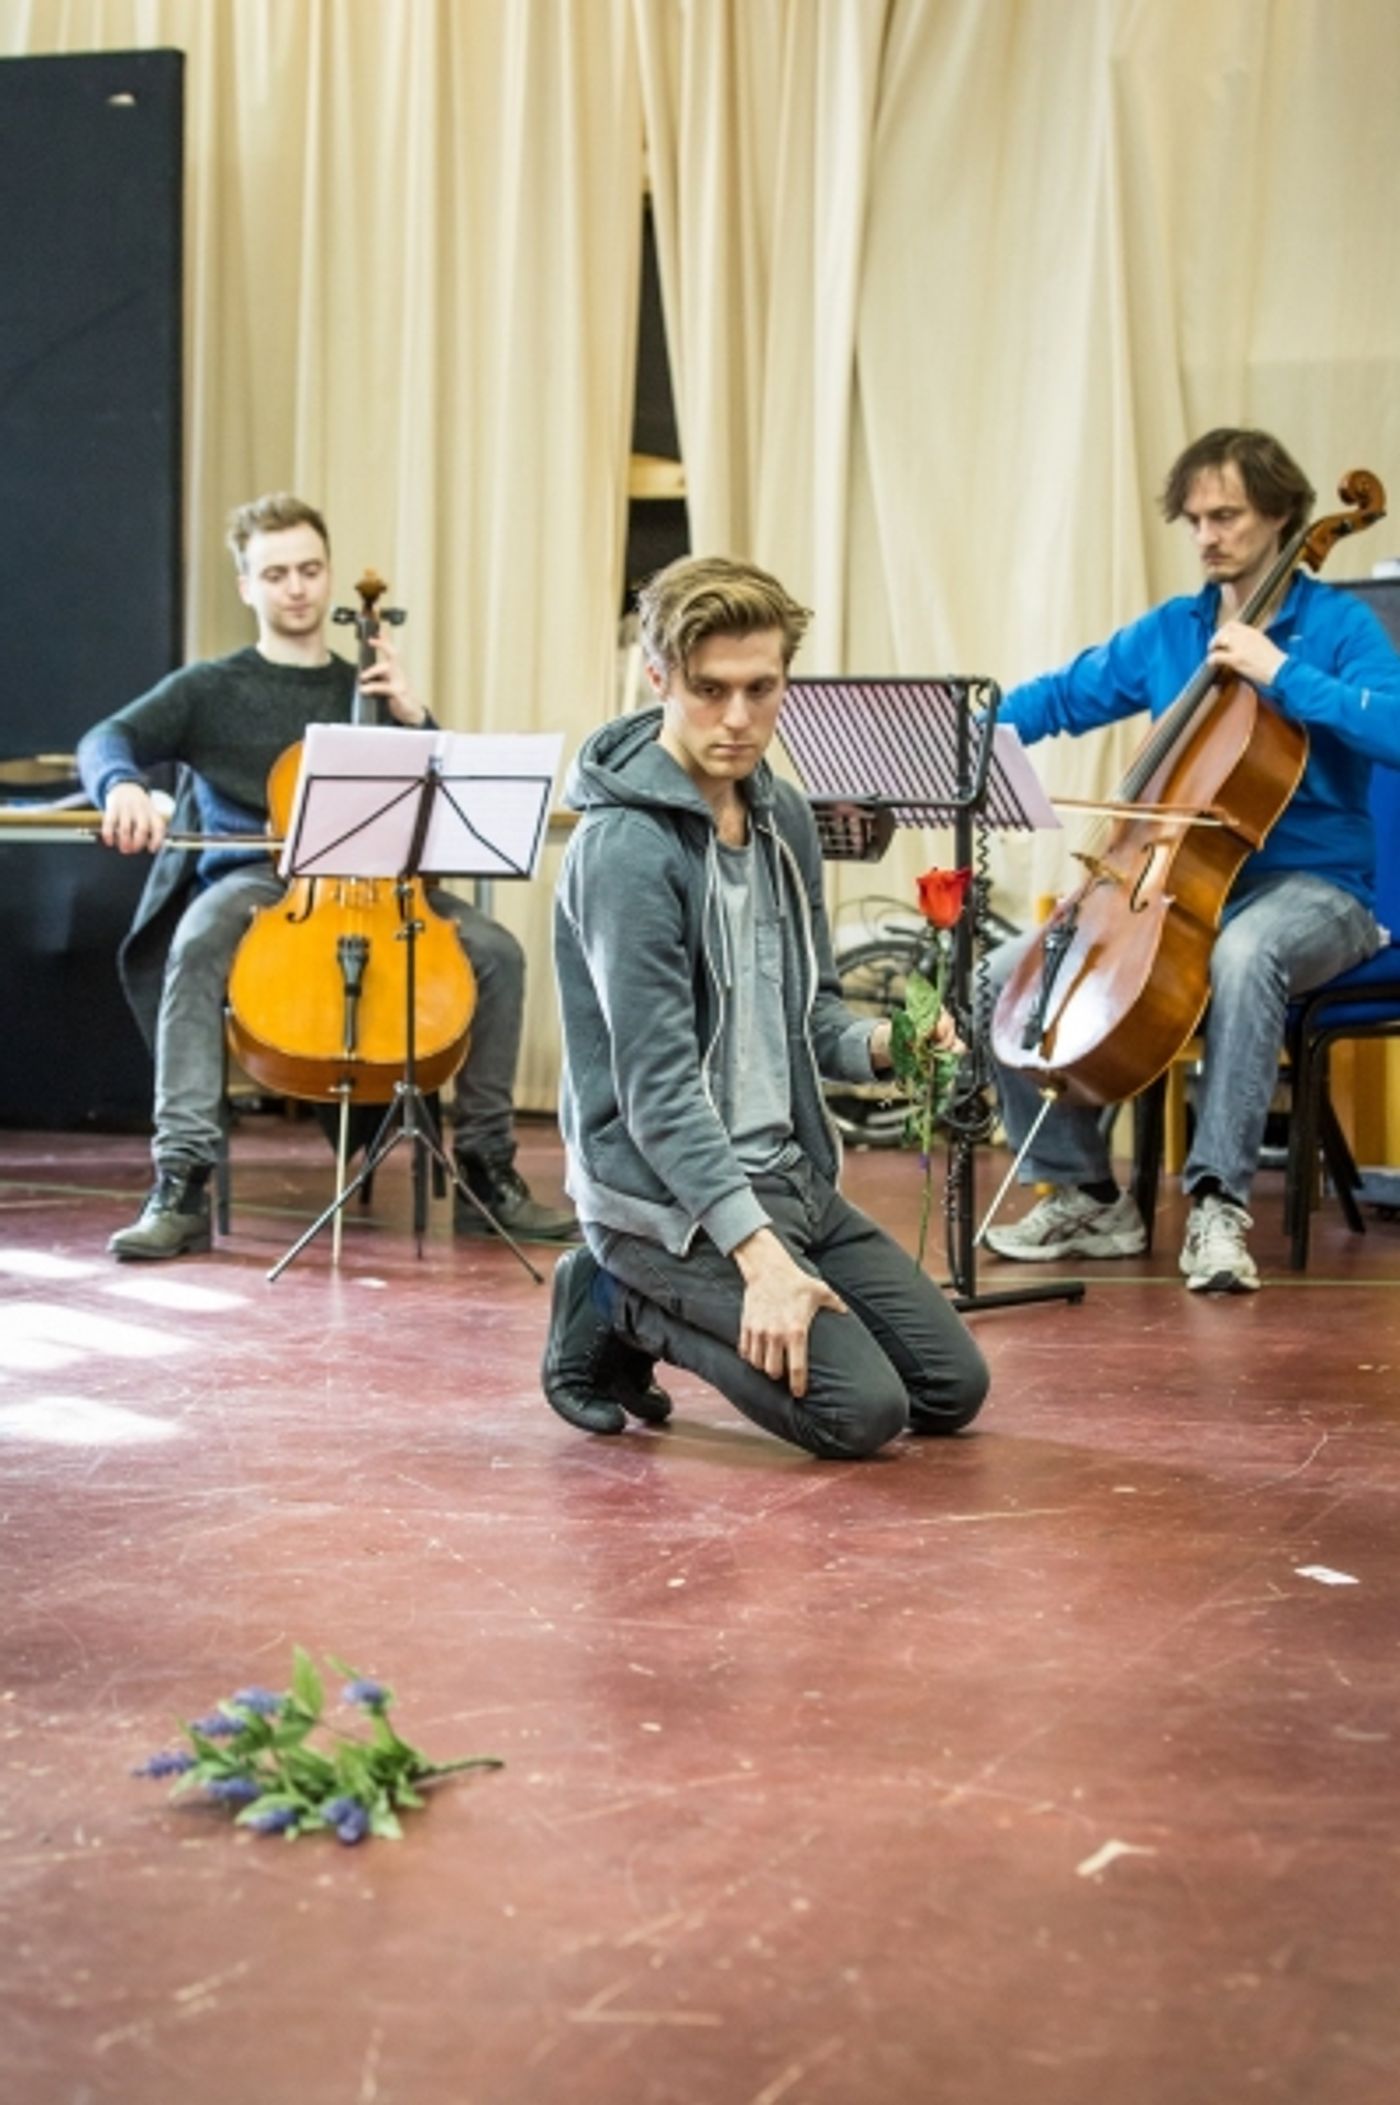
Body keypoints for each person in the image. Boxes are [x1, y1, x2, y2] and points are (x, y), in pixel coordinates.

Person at [540, 554, 989, 1459]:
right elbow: (661, 1093)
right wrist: (762, 1261)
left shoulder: (782, 812)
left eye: (762, 687)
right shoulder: (626, 850)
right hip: (667, 1201)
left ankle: (667, 1284)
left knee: (949, 1389)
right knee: (858, 1413)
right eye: (710, 690)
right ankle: (612, 1293)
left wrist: (890, 1045)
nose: (739, 720)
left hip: (785, 1172)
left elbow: (812, 1013)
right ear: (657, 675)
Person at [77, 491, 577, 1259]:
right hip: (261, 882)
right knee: (198, 936)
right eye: (276, 573)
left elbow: (443, 800)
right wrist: (122, 785)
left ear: (329, 575)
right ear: (247, 585)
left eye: (310, 569)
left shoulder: (370, 685)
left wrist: (415, 715)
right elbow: (109, 736)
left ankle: (487, 1166)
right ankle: (181, 1177)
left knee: (498, 951)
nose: (298, 587)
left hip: (383, 883)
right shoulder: (209, 687)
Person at [984, 427, 1400, 1293]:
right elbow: (1063, 696)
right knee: (1001, 974)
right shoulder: (1172, 632)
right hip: (1176, 886)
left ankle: (1218, 1204)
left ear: (1284, 515)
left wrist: (1282, 671)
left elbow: (1393, 728)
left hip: (1320, 891)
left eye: (1229, 515)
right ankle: (1093, 1197)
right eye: (1197, 518)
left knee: (1244, 953)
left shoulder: (1337, 627)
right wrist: (972, 727)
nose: (1208, 534)